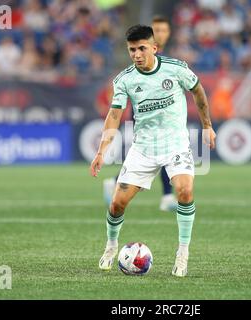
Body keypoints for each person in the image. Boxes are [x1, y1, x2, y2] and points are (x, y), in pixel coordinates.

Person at [90, 25, 216, 277]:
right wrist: (102, 150)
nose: (136, 54)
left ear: (154, 48)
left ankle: (182, 254)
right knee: (117, 204)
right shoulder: (124, 80)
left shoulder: (176, 68)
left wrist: (207, 126)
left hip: (176, 144)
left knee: (185, 190)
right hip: (143, 148)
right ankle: (111, 245)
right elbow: (114, 115)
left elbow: (198, 92)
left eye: (141, 49)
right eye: (132, 50)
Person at [102, 16, 177, 212]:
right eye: (157, 30)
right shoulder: (141, 54)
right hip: (147, 116)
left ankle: (165, 195)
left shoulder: (164, 58)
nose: (161, 34)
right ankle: (166, 196)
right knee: (159, 153)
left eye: (164, 30)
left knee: (164, 153)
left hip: (165, 116)